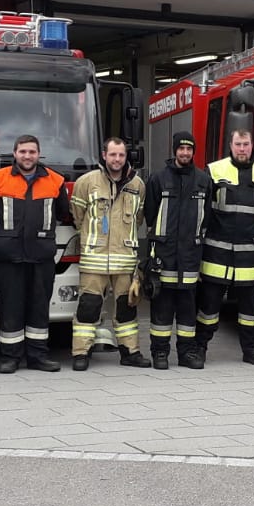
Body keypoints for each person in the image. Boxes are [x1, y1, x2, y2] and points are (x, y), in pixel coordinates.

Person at [0, 134, 72, 374]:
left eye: (32, 152)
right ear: (14, 153)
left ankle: (38, 357)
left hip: (42, 256)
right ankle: (10, 357)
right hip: (8, 257)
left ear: (38, 154)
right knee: (10, 307)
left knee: (39, 307)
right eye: (23, 151)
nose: (27, 156)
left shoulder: (55, 181)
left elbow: (63, 212)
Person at [196, 128, 254, 367]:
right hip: (216, 252)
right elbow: (204, 207)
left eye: (246, 144)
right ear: (230, 146)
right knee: (209, 306)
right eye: (238, 144)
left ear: (252, 146)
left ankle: (251, 351)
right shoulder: (214, 170)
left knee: (249, 309)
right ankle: (199, 349)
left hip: (249, 255)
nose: (242, 149)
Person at [69, 137, 150, 371]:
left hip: (125, 259)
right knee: (89, 306)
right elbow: (78, 216)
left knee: (127, 308)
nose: (117, 159)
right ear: (104, 155)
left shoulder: (138, 185)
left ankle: (130, 352)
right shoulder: (86, 182)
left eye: (121, 155)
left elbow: (138, 219)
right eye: (113, 154)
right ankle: (81, 353)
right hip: (94, 259)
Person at [143, 130, 210, 370]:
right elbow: (150, 215)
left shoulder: (204, 180)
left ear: (193, 152)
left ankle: (186, 353)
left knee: (187, 310)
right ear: (174, 151)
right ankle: (160, 353)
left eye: (189, 149)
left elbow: (207, 218)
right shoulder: (158, 179)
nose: (185, 153)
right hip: (164, 255)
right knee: (161, 308)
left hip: (190, 256)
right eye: (181, 148)